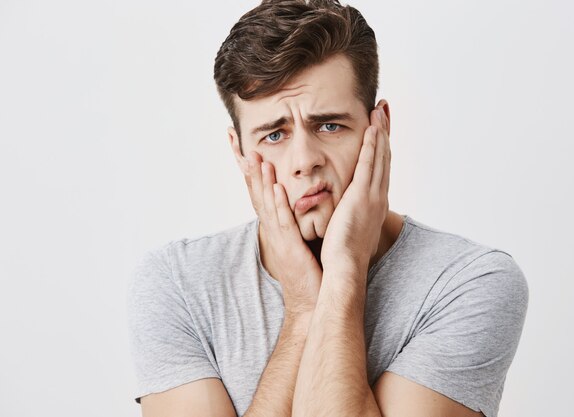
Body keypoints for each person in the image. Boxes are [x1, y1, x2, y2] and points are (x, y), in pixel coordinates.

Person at [126, 1, 529, 416]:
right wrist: (303, 306)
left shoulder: (469, 282)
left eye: (329, 125)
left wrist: (345, 272)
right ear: (239, 151)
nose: (305, 159)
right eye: (274, 135)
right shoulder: (177, 283)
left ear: (380, 128)